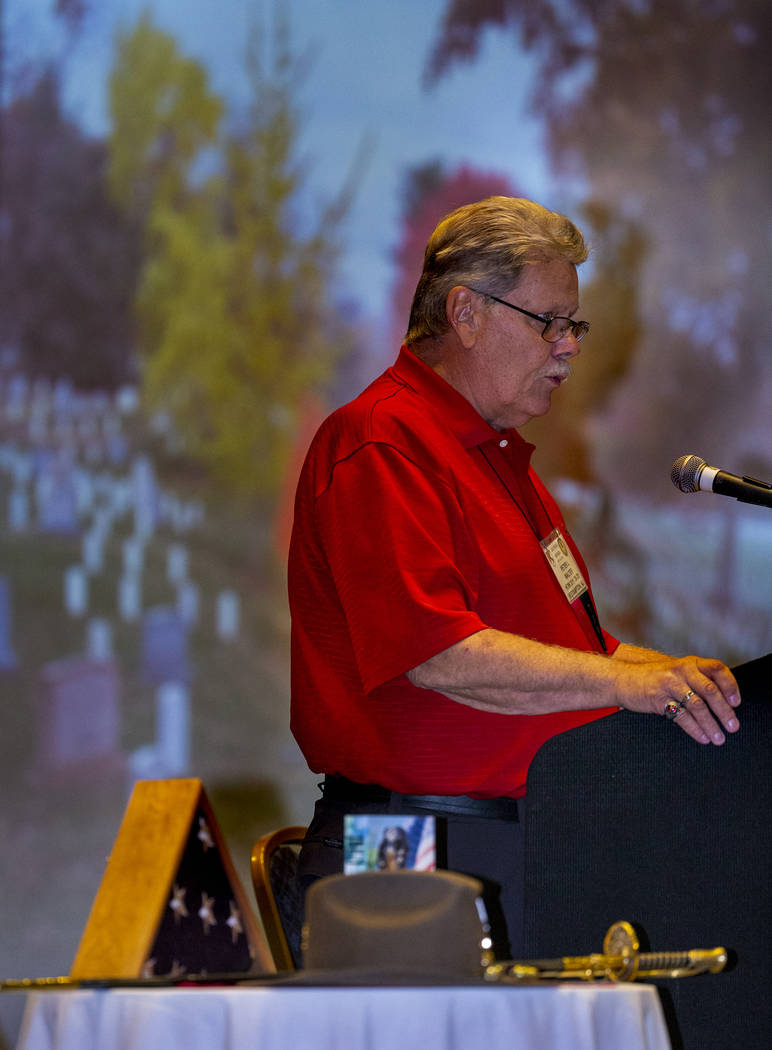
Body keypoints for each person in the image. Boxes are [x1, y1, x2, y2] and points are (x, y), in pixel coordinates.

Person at [287, 196, 741, 959]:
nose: (568, 348)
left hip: (522, 845)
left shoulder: (499, 462)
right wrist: (632, 685)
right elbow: (440, 652)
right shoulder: (381, 443)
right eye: (549, 322)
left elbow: (582, 652)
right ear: (465, 311)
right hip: (411, 850)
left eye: (576, 326)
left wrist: (687, 680)